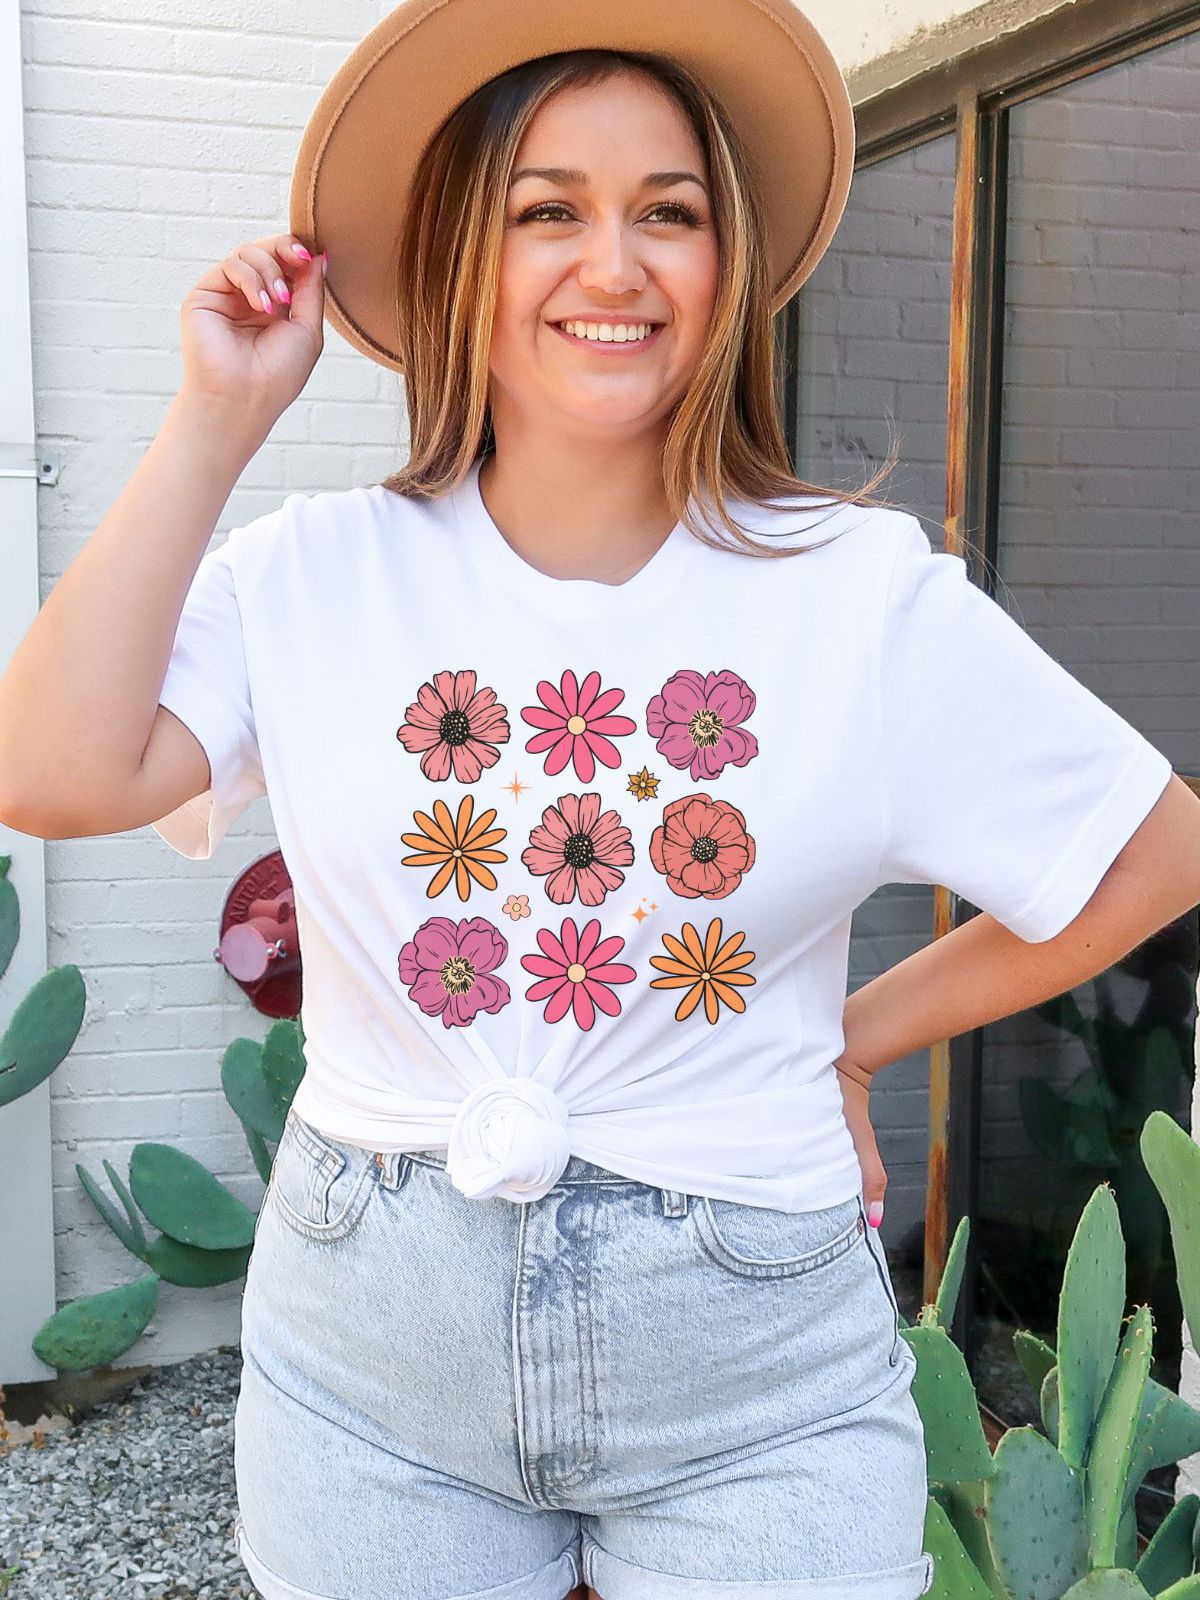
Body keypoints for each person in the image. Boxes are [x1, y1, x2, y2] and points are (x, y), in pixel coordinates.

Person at [1, 2, 1198, 1597]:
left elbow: (1152, 850)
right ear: (454, 262)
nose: (614, 266)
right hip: (372, 1362)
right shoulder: (309, 575)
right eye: (545, 210)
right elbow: (56, 771)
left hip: (756, 1366)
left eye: (670, 214)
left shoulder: (859, 598)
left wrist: (853, 1035)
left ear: (727, 264)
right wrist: (219, 417)